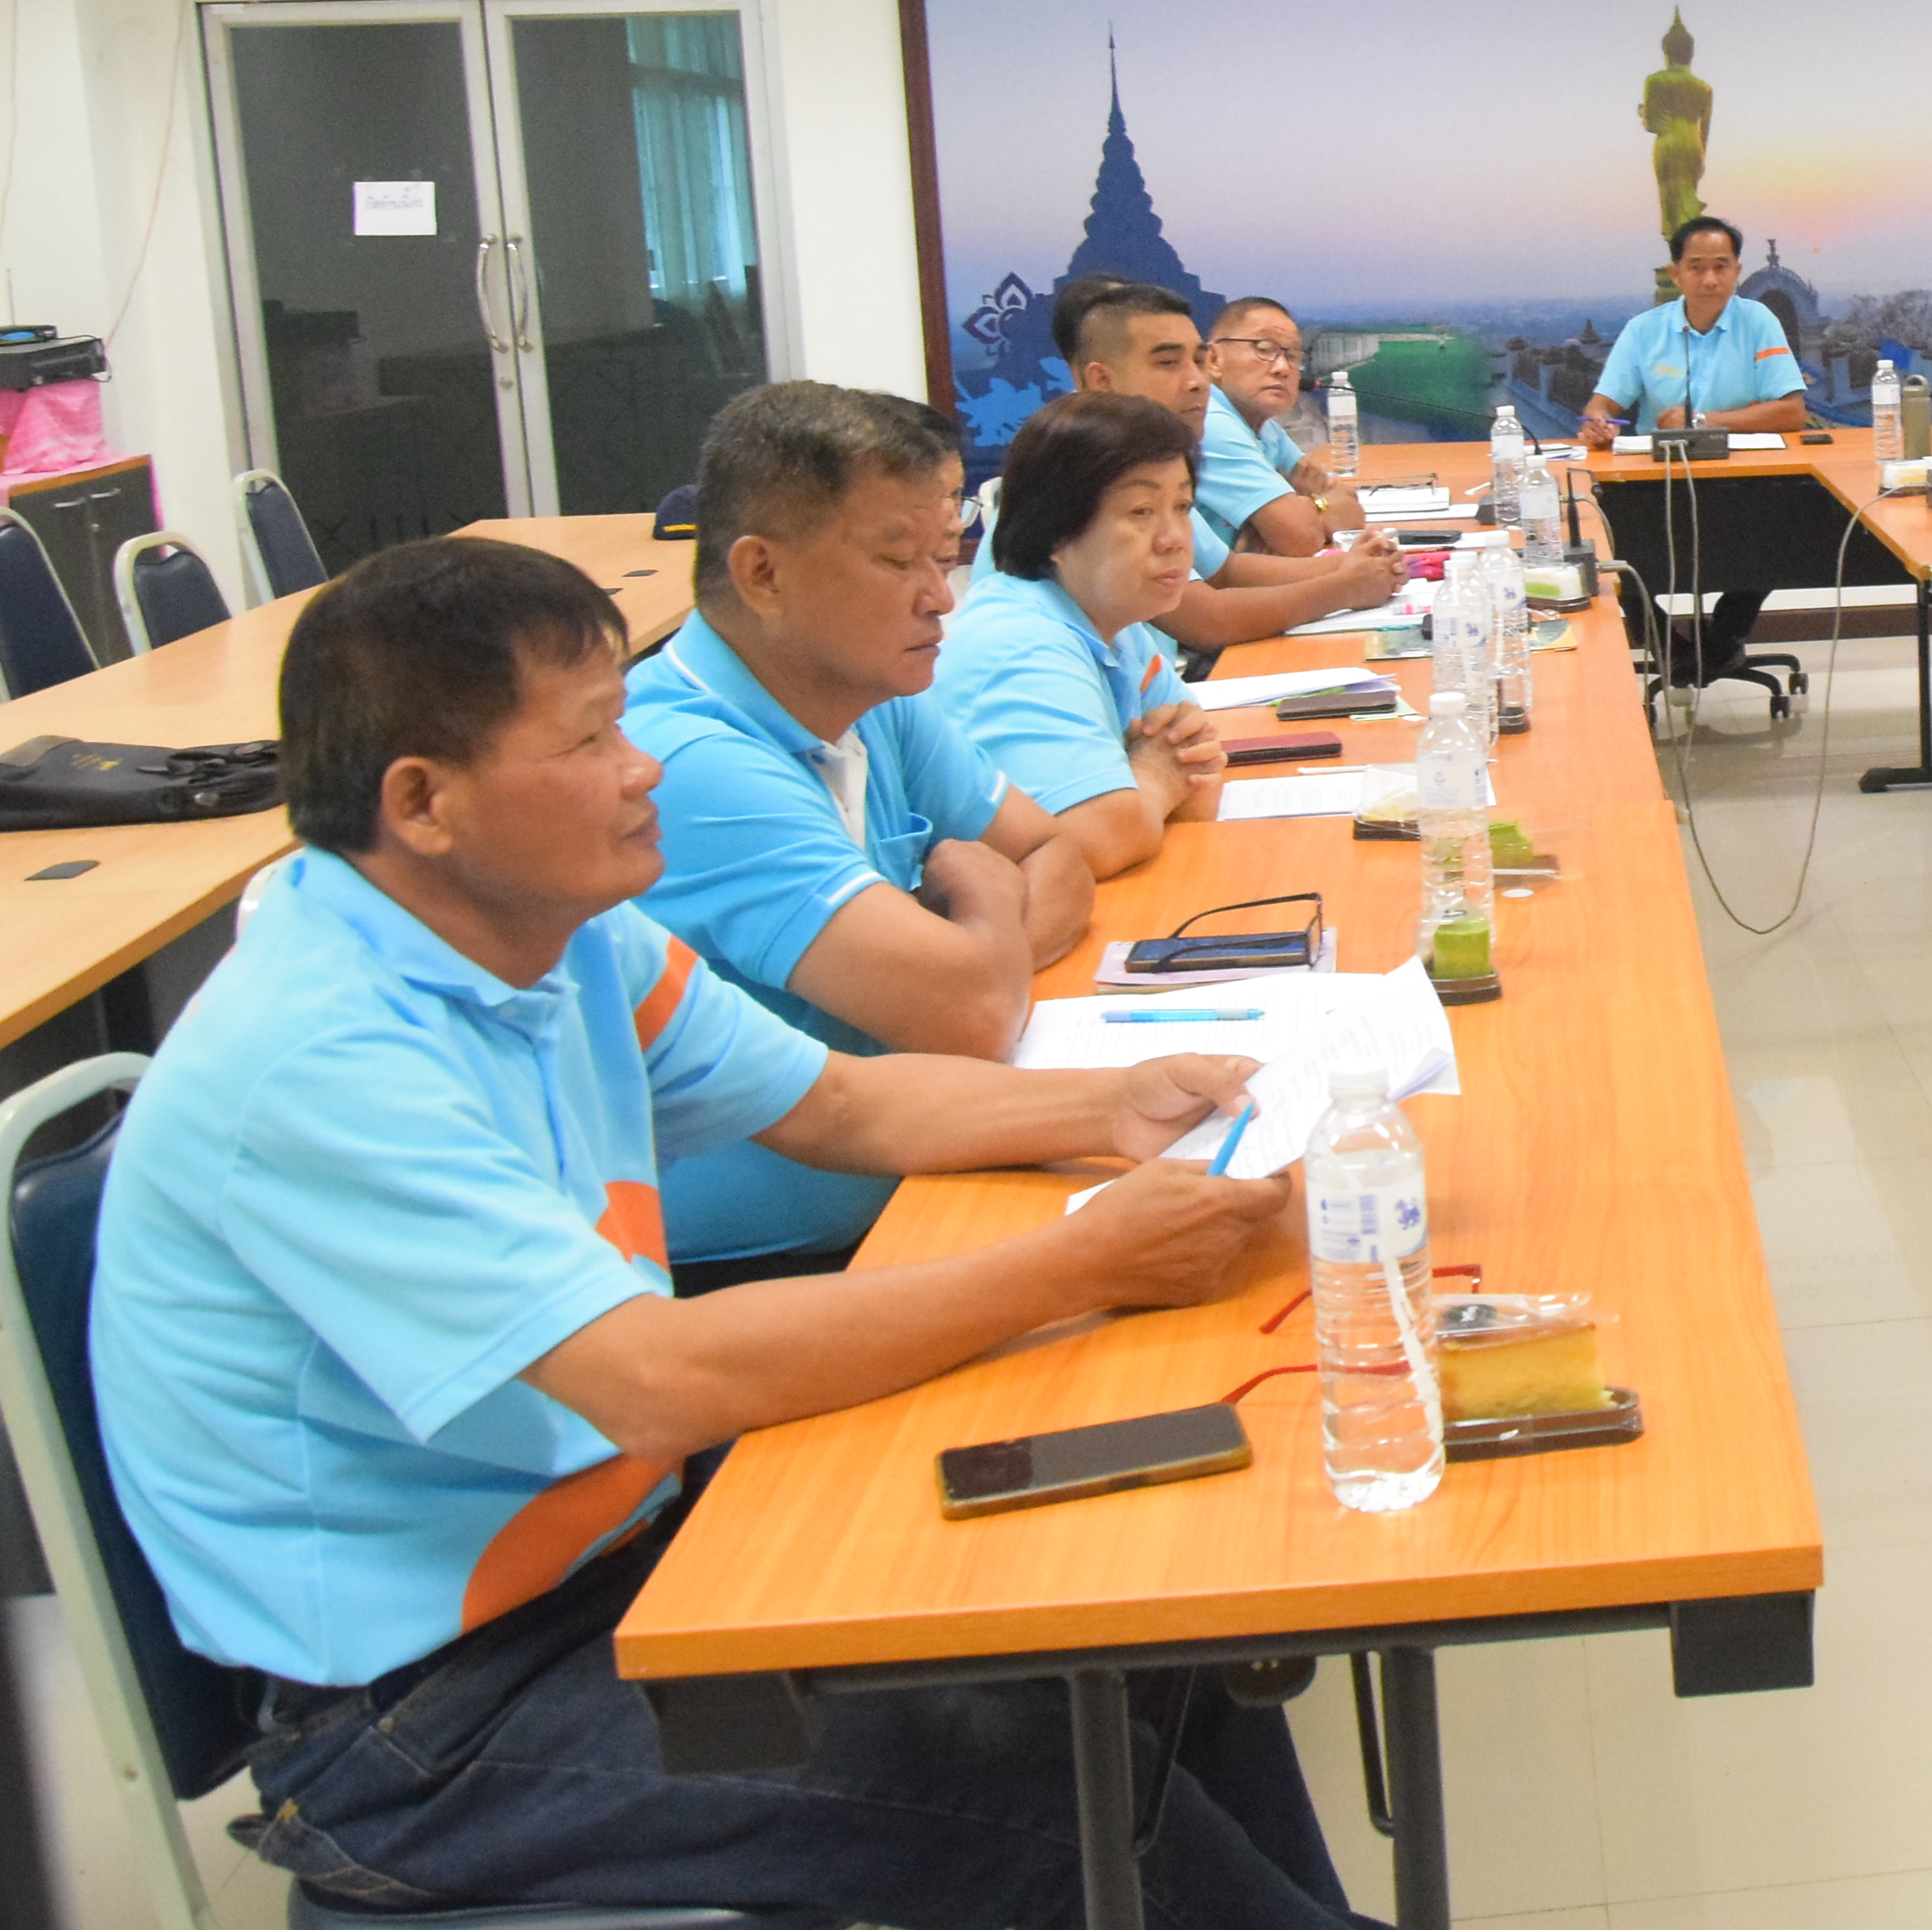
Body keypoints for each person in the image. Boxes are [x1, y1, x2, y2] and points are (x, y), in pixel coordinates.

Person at [90, 536, 1363, 1929]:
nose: (643, 770)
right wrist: (1082, 1260)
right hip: (419, 1726)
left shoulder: (560, 935)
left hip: (620, 1554)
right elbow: (658, 1377)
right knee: (1032, 1785)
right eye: (590, 741)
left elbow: (843, 1105)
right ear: (424, 801)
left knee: (1138, 1623)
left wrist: (1116, 1107)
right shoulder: (314, 1061)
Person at [626, 381, 1101, 1279]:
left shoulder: (869, 694)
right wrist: (980, 942)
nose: (942, 598)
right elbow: (974, 1011)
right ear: (762, 574)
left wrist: (978, 961)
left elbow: (1053, 851)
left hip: (928, 1179)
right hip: (771, 1271)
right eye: (897, 564)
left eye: (946, 554)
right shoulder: (682, 763)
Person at [994, 279, 1405, 646]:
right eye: (1168, 362)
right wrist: (1344, 588)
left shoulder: (1153, 464)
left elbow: (1225, 571)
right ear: (1101, 381)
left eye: (1196, 361)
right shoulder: (1078, 472)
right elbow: (1209, 619)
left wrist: (1348, 570)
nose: (1197, 381)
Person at [939, 391, 1231, 879]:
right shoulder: (1020, 640)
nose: (1175, 538)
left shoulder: (1115, 623)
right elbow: (1095, 840)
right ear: (1057, 531)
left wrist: (1154, 787)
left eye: (1181, 506)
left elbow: (1199, 778)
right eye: (1141, 511)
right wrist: (1155, 780)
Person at [1578, 213, 1811, 679]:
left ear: (1737, 271)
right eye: (1697, 266)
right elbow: (1601, 403)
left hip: (1743, 481)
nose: (1710, 279)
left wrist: (1705, 420)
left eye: (1721, 266)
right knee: (1604, 548)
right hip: (1654, 484)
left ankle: (1725, 635)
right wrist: (1598, 422)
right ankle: (1667, 643)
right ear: (1675, 272)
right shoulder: (1645, 330)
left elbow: (1791, 411)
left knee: (1789, 528)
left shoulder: (1757, 321)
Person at [1203, 292, 1366, 557]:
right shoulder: (1211, 425)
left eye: (1291, 356)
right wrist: (1315, 508)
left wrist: (1299, 513)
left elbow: (1350, 508)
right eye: (1264, 350)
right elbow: (1301, 539)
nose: (1282, 368)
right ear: (1214, 360)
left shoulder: (1266, 429)